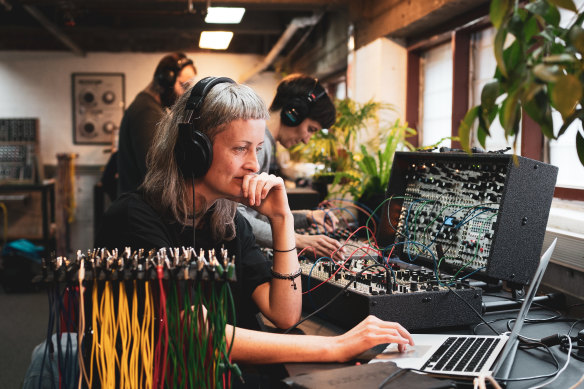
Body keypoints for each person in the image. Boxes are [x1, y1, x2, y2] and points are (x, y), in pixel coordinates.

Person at [95, 76, 413, 366]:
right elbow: (199, 333)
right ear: (194, 150)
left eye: (258, 149)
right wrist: (335, 346)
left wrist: (282, 220)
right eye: (240, 149)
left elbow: (284, 314)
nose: (254, 165)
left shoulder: (229, 223)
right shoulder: (132, 220)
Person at [237, 74, 347, 261]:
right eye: (311, 129)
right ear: (293, 113)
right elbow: (234, 218)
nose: (306, 140)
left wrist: (307, 217)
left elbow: (257, 216)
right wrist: (296, 240)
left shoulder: (266, 143)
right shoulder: (259, 146)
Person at [117, 52, 197, 196]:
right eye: (183, 86)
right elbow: (155, 171)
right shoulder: (147, 112)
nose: (185, 94)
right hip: (139, 208)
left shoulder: (149, 106)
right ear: (165, 81)